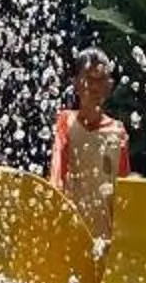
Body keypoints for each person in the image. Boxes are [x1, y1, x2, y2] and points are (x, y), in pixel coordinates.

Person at [48, 49, 130, 244]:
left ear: (109, 86)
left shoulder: (118, 134)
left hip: (104, 242)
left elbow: (124, 191)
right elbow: (57, 169)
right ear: (76, 83)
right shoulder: (65, 122)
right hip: (68, 235)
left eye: (100, 80)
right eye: (88, 79)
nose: (94, 87)